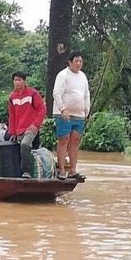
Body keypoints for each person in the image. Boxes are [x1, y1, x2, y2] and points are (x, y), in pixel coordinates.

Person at [53, 51, 90, 181]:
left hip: (79, 115)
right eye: (76, 61)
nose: (79, 64)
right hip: (64, 114)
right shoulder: (63, 75)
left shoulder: (83, 76)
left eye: (81, 61)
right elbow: (56, 93)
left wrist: (87, 111)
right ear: (70, 62)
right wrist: (63, 109)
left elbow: (86, 95)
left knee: (75, 141)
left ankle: (73, 170)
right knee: (64, 140)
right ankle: (61, 170)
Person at [8, 72, 46, 178]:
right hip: (19, 129)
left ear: (24, 81)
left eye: (19, 80)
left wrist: (35, 125)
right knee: (16, 148)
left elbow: (42, 110)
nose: (17, 82)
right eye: (15, 80)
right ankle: (18, 172)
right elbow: (12, 116)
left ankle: (26, 171)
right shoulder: (12, 97)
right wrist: (13, 132)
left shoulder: (33, 94)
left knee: (25, 144)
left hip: (31, 127)